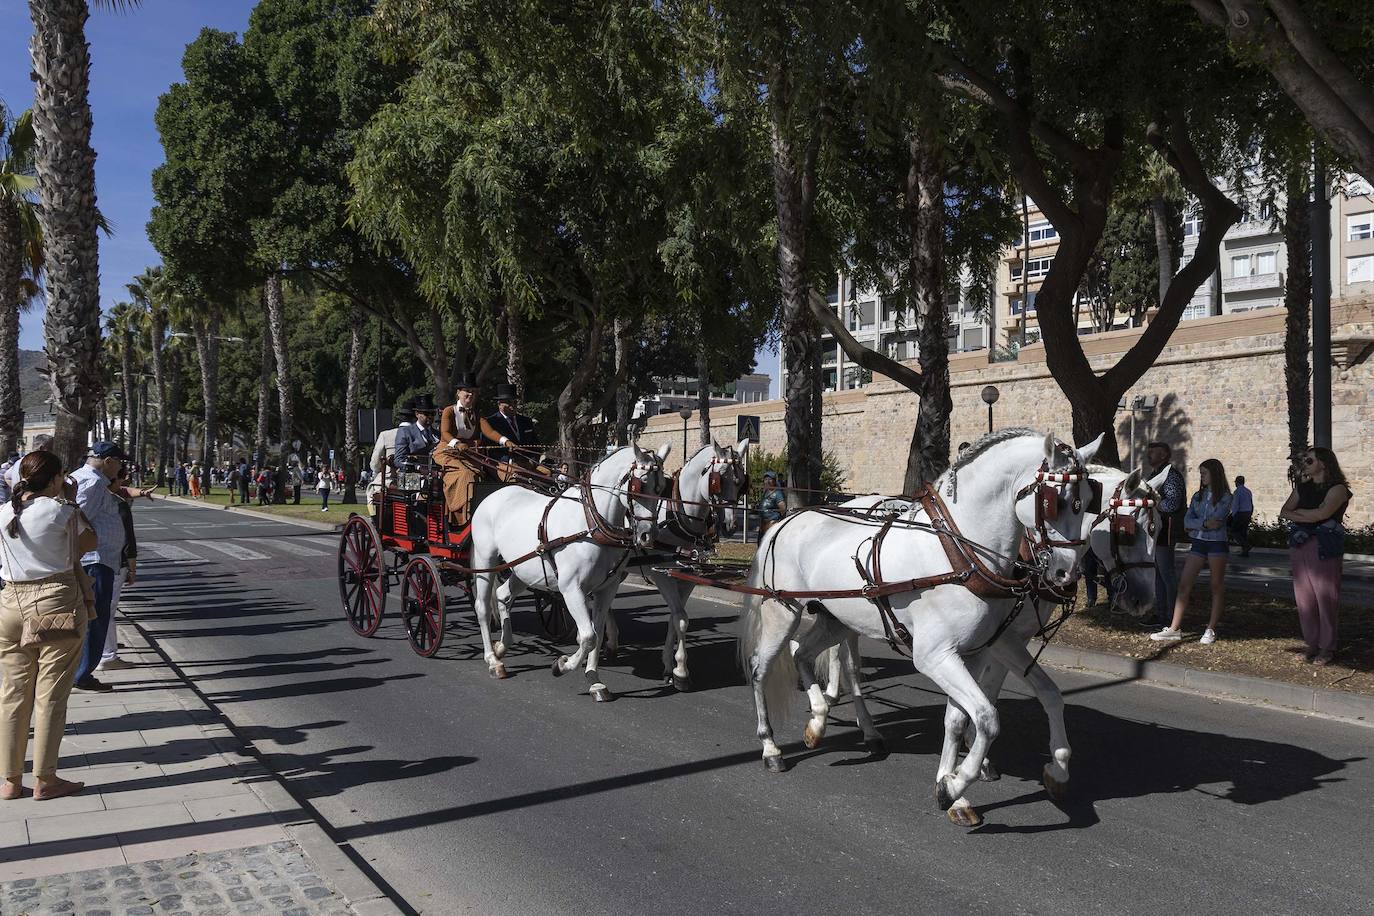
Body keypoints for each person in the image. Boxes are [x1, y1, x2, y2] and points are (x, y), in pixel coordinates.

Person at [0, 450, 98, 801]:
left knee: (12, 695)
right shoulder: (62, 511)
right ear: (57, 478)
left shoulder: (3, 512)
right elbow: (89, 544)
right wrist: (71, 501)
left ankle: (10, 780)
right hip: (54, 599)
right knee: (50, 695)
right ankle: (46, 778)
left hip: (10, 602)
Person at [1280, 447, 1352, 666]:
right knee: (1305, 598)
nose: (1306, 464)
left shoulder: (1338, 488)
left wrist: (1301, 515)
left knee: (1326, 597)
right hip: (1301, 544)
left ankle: (1327, 647)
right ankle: (1312, 643)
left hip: (1325, 546)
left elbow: (1323, 513)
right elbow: (1284, 511)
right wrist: (1309, 516)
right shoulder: (1303, 487)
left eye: (1310, 460)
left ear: (1324, 463)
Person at [1151, 458, 1232, 644]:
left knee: (1216, 586)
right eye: (1201, 473)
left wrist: (1197, 525)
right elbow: (1188, 522)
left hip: (1217, 544)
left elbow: (1217, 521)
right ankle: (1174, 627)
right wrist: (1203, 524)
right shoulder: (1197, 496)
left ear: (1215, 474)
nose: (1201, 476)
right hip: (1198, 544)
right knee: (1184, 585)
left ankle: (1210, 628)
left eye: (1204, 473)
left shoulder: (1227, 497)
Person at [71, 442, 128, 693]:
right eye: (119, 462)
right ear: (108, 461)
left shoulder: (88, 479)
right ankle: (82, 673)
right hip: (95, 560)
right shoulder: (93, 483)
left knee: (94, 618)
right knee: (95, 619)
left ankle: (82, 671)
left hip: (97, 559)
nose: (120, 467)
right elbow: (78, 521)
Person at [99, 466, 152, 673]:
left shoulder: (98, 500)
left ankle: (104, 650)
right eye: (121, 481)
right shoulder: (117, 505)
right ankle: (108, 655)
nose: (124, 486)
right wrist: (132, 569)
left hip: (97, 562)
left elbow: (128, 491)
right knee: (108, 610)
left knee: (102, 609)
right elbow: (128, 540)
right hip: (115, 563)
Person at [433, 375, 504, 526]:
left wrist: (505, 441)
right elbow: (444, 433)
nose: (470, 395)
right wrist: (457, 443)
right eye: (467, 391)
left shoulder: (477, 414)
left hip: (468, 454)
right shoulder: (449, 411)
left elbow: (489, 432)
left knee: (484, 474)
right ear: (458, 393)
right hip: (447, 452)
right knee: (467, 475)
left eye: (473, 392)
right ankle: (462, 518)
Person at [1140, 441, 1186, 629]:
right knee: (1158, 574)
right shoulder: (1154, 474)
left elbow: (1172, 504)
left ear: (1164, 455)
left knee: (1166, 574)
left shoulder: (1171, 476)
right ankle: (1161, 613)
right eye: (1149, 452)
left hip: (1166, 529)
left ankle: (1171, 616)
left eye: (1154, 452)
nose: (1149, 455)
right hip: (1156, 530)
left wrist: (1151, 503)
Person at [393, 394, 440, 474]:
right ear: (417, 414)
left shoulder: (437, 434)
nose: (430, 417)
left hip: (436, 476)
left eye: (433, 414)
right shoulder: (406, 432)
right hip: (414, 477)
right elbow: (399, 460)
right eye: (426, 413)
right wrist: (417, 467)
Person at [757, 471, 787, 541]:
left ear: (774, 481)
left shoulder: (778, 493)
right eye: (766, 479)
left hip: (772, 523)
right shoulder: (765, 492)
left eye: (770, 479)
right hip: (763, 524)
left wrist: (777, 521)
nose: (767, 481)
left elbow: (783, 508)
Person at [1230, 475, 1254, 557]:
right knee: (1243, 532)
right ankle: (1245, 552)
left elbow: (1236, 505)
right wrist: (1250, 513)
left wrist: (1233, 515)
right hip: (1247, 513)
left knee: (1234, 531)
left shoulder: (1237, 492)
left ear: (1237, 482)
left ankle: (1246, 545)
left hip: (1240, 513)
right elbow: (1251, 503)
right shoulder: (1248, 491)